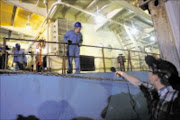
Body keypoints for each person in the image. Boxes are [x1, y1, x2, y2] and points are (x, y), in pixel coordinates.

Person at [115, 55, 180, 120]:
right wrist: (123, 74)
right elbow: (138, 83)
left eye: (150, 71)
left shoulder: (176, 99)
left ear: (156, 77)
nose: (148, 74)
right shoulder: (155, 91)